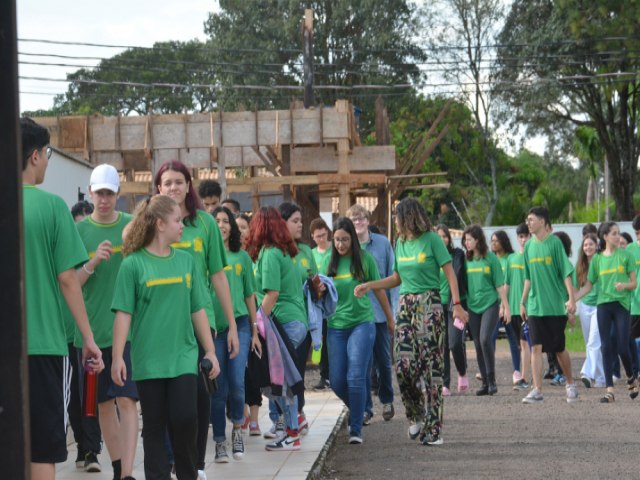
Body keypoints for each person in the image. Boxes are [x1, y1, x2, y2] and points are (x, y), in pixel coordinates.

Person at [111, 195, 220, 480]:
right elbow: (123, 314)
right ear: (160, 224)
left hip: (183, 357)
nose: (182, 224)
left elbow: (198, 309)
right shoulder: (132, 265)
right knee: (155, 427)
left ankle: (188, 474)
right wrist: (117, 357)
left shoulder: (185, 261)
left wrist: (210, 351)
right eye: (176, 220)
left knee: (186, 419)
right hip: (148, 361)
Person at [21, 117, 103, 480]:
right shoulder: (53, 208)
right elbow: (69, 279)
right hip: (42, 347)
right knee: (42, 449)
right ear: (36, 156)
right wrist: (87, 339)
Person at [355, 198, 467, 446]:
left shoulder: (432, 240)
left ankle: (434, 430)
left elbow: (450, 273)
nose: (394, 221)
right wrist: (371, 285)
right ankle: (416, 415)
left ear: (408, 216)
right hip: (405, 305)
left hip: (430, 305)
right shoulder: (401, 242)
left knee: (432, 371)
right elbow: (397, 277)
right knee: (403, 367)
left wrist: (457, 304)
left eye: (397, 216)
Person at [154, 160, 237, 479]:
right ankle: (172, 460)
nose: (173, 187)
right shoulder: (151, 223)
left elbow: (218, 275)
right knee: (167, 398)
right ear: (158, 188)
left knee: (201, 396)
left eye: (179, 182)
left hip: (201, 323)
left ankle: (196, 464)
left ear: (189, 186)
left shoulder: (204, 223)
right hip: (163, 325)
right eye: (167, 183)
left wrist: (231, 325)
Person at [75, 164, 138, 480]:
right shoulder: (80, 231)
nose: (104, 199)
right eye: (99, 193)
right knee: (102, 404)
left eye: (109, 193)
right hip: (91, 333)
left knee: (127, 400)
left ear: (118, 195)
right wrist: (93, 262)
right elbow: (70, 282)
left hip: (127, 334)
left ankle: (127, 472)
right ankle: (117, 467)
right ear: (90, 193)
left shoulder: (132, 227)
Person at [321, 217, 394, 444]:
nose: (340, 245)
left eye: (345, 239)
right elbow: (319, 293)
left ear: (353, 238)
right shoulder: (327, 261)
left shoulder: (365, 260)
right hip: (335, 326)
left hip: (363, 323)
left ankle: (356, 430)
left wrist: (390, 319)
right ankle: (359, 407)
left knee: (355, 375)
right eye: (337, 240)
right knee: (336, 380)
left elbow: (380, 290)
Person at [248, 207, 307, 451]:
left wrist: (255, 324)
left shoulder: (270, 253)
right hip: (294, 321)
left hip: (284, 324)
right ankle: (292, 428)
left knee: (283, 383)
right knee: (284, 381)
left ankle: (292, 431)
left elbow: (271, 294)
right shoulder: (284, 252)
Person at [209, 206, 260, 462]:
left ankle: (237, 429)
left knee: (237, 383)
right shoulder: (205, 258)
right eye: (216, 221)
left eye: (225, 221)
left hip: (239, 324)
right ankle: (219, 440)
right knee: (219, 388)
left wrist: (254, 331)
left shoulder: (242, 258)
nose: (221, 225)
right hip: (214, 330)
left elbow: (250, 295)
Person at [520, 206, 579, 404]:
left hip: (555, 306)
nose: (528, 223)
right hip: (536, 306)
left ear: (544, 222)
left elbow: (566, 273)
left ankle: (570, 382)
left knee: (558, 348)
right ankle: (537, 390)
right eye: (527, 220)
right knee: (535, 346)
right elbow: (528, 278)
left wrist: (571, 299)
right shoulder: (528, 246)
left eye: (532, 219)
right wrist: (523, 301)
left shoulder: (554, 244)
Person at [575, 222, 638, 403]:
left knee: (622, 348)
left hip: (621, 306)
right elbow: (589, 284)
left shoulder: (626, 256)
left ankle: (631, 377)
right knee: (605, 346)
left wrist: (623, 285)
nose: (618, 237)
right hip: (603, 306)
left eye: (618, 233)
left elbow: (633, 283)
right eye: (614, 234)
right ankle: (609, 390)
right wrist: (573, 299)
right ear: (605, 237)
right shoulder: (598, 260)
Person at [347, 204, 398, 422]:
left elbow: (394, 278)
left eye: (361, 218)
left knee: (384, 361)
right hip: (357, 315)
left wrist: (393, 312)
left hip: (380, 312)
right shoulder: (346, 247)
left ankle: (387, 399)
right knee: (362, 363)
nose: (358, 222)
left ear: (368, 220)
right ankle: (366, 408)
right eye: (353, 219)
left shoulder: (383, 244)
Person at [278, 202, 314, 434]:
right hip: (278, 322)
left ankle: (295, 416)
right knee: (281, 374)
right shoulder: (275, 252)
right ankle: (288, 418)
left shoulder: (306, 251)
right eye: (295, 221)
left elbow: (314, 278)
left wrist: (317, 285)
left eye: (301, 220)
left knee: (296, 371)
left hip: (302, 321)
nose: (301, 225)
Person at [463, 225, 510, 396]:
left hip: (490, 304)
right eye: (465, 240)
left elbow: (499, 285)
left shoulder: (491, 259)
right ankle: (484, 382)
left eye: (469, 239)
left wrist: (506, 307)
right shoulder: (465, 260)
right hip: (472, 307)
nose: (466, 243)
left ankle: (492, 380)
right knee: (477, 344)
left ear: (478, 240)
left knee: (484, 339)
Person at [435, 224, 469, 394]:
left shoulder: (457, 255)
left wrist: (462, 304)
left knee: (455, 343)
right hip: (437, 305)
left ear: (449, 238)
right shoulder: (431, 257)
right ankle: (445, 383)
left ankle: (462, 372)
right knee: (441, 346)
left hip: (454, 305)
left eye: (445, 236)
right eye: (438, 236)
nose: (442, 239)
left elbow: (461, 278)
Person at [490, 230, 523, 386]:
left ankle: (517, 371)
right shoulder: (490, 259)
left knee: (514, 340)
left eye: (496, 240)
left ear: (503, 241)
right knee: (490, 338)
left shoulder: (510, 258)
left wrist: (505, 305)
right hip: (493, 306)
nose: (493, 243)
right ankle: (488, 371)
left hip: (509, 305)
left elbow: (509, 283)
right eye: (492, 241)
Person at [575, 233, 605, 388]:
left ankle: (587, 372)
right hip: (585, 306)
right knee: (591, 343)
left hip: (600, 306)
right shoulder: (580, 265)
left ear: (597, 245)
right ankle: (600, 378)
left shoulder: (602, 261)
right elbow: (575, 287)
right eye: (585, 245)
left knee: (594, 341)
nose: (588, 247)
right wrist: (571, 303)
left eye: (591, 244)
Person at [505, 223, 533, 391]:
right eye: (520, 237)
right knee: (519, 344)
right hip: (513, 308)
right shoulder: (511, 258)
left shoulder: (531, 258)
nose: (523, 240)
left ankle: (524, 377)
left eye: (526, 236)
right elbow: (506, 283)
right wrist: (504, 305)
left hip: (528, 308)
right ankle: (525, 374)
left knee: (525, 343)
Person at [310, 217, 333, 391]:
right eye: (318, 236)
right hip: (317, 302)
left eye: (324, 235)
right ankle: (324, 375)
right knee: (322, 339)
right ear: (312, 237)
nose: (321, 239)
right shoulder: (311, 254)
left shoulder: (335, 250)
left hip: (333, 300)